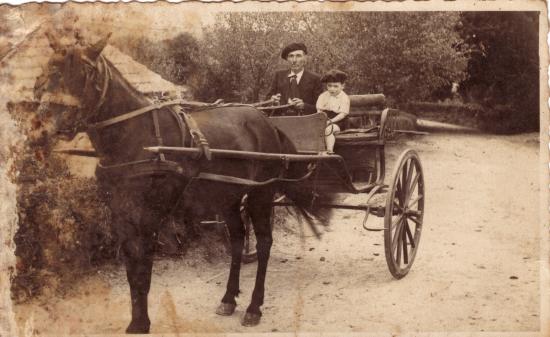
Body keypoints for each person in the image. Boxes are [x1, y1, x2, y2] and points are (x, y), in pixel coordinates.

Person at [267, 42, 323, 116]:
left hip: (305, 122)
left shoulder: (315, 79)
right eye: (291, 56)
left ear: (305, 58)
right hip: (280, 121)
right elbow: (266, 101)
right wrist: (272, 101)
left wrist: (304, 106)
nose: (294, 60)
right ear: (287, 59)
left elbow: (321, 107)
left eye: (298, 56)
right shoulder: (279, 75)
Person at [316, 69, 350, 154]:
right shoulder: (323, 96)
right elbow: (319, 110)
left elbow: (342, 114)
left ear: (342, 86)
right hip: (324, 118)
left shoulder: (344, 97)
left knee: (329, 130)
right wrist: (322, 119)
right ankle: (318, 152)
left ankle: (329, 151)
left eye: (335, 86)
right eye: (329, 86)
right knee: (316, 130)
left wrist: (330, 121)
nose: (332, 89)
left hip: (339, 121)